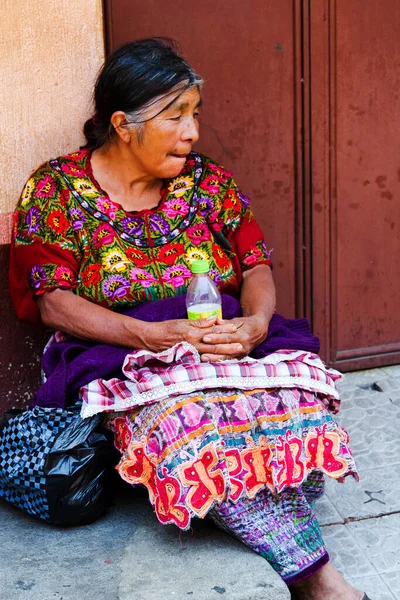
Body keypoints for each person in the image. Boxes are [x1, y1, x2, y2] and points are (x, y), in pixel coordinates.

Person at [8, 38, 368, 600]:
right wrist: (153, 335)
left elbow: (256, 266)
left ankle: (246, 499)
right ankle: (317, 578)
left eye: (194, 114)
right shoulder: (56, 191)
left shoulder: (207, 183)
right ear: (124, 125)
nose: (192, 131)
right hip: (123, 352)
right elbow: (51, 300)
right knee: (197, 426)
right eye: (176, 117)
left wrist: (255, 322)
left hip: (222, 338)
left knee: (289, 414)